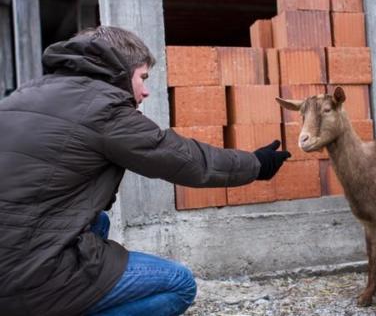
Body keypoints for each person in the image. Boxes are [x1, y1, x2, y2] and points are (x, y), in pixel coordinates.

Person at [0, 26, 291, 316]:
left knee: (97, 221)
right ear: (119, 70)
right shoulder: (104, 109)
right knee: (178, 284)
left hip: (13, 255)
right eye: (143, 77)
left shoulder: (21, 96)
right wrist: (255, 164)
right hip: (28, 274)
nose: (146, 90)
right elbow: (183, 159)